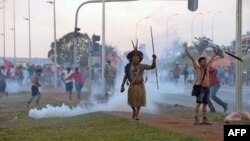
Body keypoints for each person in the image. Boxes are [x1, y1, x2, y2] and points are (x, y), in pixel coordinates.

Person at [120, 40, 156, 120]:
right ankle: (133, 110)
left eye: (137, 59)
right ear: (131, 60)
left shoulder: (142, 66)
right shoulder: (128, 67)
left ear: (139, 59)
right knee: (132, 102)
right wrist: (122, 85)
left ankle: (137, 115)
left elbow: (152, 67)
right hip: (132, 86)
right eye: (134, 59)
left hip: (140, 86)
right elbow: (126, 76)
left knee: (139, 101)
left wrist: (154, 59)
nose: (136, 60)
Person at [184, 42, 218, 125]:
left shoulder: (207, 68)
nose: (205, 62)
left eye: (205, 61)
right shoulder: (198, 68)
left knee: (205, 104)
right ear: (199, 63)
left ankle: (204, 119)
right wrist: (187, 50)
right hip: (201, 89)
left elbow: (211, 59)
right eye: (203, 61)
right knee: (198, 104)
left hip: (207, 88)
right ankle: (196, 119)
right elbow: (192, 58)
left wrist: (215, 53)